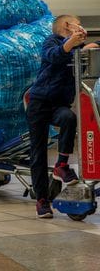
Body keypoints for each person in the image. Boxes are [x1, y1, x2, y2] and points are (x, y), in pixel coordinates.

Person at [27, 15, 100, 218]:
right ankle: (42, 200)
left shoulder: (76, 50)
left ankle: (61, 165)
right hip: (39, 104)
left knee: (69, 118)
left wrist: (91, 44)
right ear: (67, 26)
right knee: (38, 152)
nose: (81, 27)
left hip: (60, 105)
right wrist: (72, 42)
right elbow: (55, 55)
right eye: (77, 22)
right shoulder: (52, 41)